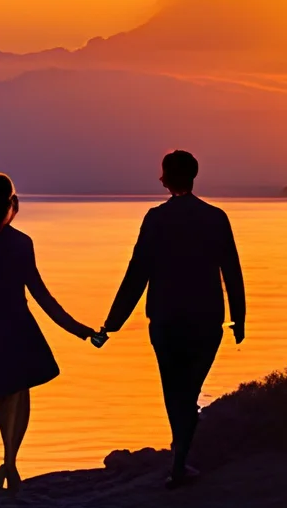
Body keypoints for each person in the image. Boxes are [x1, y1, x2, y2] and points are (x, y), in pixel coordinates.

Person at [0, 172, 101, 493]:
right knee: (17, 393)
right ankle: (10, 464)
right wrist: (82, 331)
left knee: (7, 392)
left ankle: (8, 463)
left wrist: (81, 331)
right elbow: (42, 297)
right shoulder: (19, 243)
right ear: (10, 204)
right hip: (15, 324)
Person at [98, 149, 245, 489]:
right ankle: (180, 462)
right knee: (188, 391)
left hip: (166, 319)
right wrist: (239, 317)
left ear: (166, 178)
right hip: (207, 319)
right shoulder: (216, 217)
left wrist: (112, 322)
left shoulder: (156, 219)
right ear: (193, 177)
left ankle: (179, 463)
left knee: (174, 391)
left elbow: (137, 274)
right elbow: (232, 272)